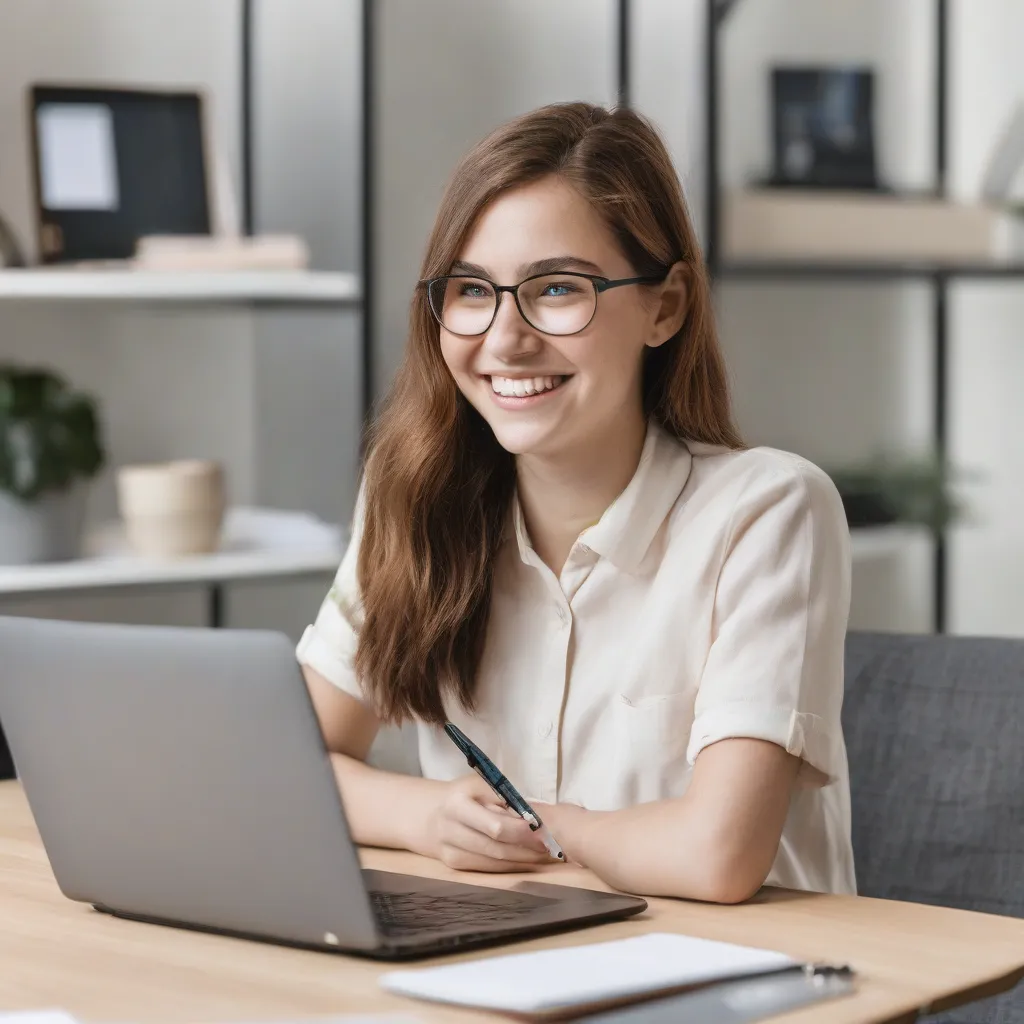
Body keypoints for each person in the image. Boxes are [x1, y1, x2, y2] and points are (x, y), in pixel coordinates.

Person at [297, 102, 855, 903]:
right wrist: (427, 817)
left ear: (665, 306)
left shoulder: (768, 511)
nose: (504, 337)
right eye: (470, 291)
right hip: (499, 959)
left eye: (557, 288)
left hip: (740, 976)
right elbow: (288, 764)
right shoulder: (413, 496)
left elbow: (716, 856)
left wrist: (533, 827)